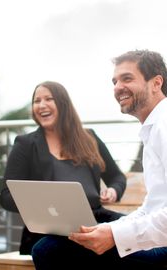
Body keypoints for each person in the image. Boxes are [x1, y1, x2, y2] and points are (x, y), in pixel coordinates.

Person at [32, 50, 167, 269]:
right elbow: (153, 207)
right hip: (157, 236)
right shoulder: (153, 129)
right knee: (69, 240)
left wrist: (114, 234)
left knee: (49, 249)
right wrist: (108, 230)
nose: (117, 87)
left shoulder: (164, 126)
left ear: (156, 83)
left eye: (127, 78)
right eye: (114, 81)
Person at [0, 80, 126, 255]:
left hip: (96, 220)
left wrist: (113, 190)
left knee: (134, 232)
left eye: (48, 99)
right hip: (49, 229)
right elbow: (6, 196)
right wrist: (39, 204)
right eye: (37, 101)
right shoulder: (25, 144)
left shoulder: (90, 138)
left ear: (63, 104)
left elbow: (116, 177)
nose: (41, 105)